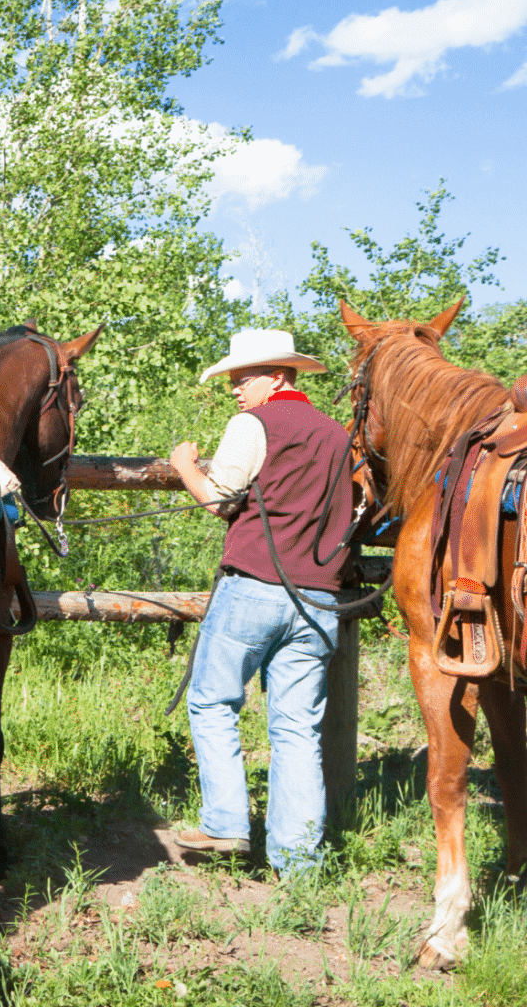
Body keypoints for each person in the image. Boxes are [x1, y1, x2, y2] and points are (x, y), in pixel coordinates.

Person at [167, 328, 357, 876]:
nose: (235, 390)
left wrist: (184, 465)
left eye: (242, 379)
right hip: (319, 599)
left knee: (212, 701)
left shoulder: (254, 424)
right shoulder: (337, 435)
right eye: (232, 380)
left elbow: (219, 500)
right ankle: (298, 862)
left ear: (278, 376)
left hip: (253, 585)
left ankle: (226, 824)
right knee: (297, 728)